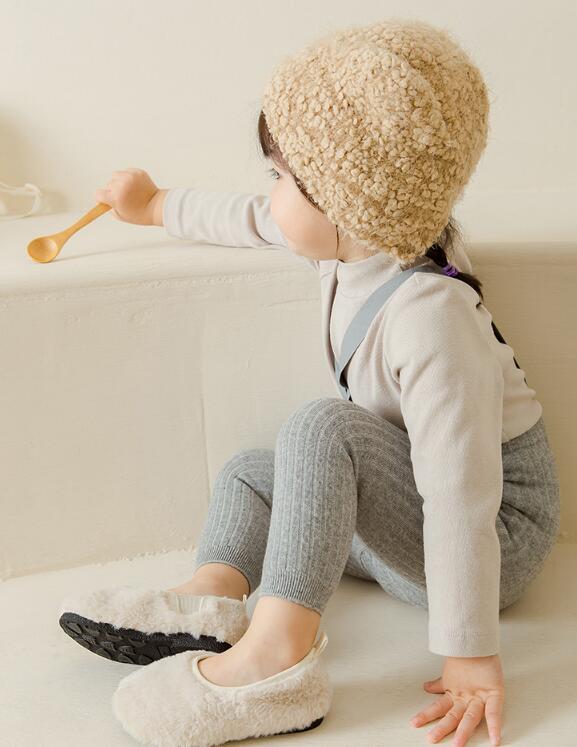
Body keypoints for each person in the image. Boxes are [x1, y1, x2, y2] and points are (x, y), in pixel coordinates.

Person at [59, 18, 561, 747]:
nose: (269, 196)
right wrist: (156, 204)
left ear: (345, 197)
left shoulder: (431, 316)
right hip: (418, 515)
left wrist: (470, 655)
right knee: (252, 473)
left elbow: (461, 494)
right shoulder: (358, 239)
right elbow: (251, 219)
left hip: (495, 541)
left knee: (321, 427)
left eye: (280, 179)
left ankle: (277, 661)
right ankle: (212, 601)